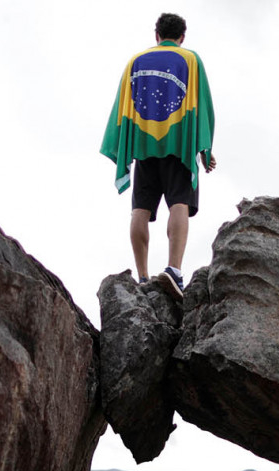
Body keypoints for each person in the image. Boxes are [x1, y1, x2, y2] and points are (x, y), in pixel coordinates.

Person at [101, 12, 216, 299]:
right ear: (182, 37)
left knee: (140, 209)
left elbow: (123, 105)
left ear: (157, 35)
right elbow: (203, 105)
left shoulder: (136, 61)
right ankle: (174, 270)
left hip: (144, 144)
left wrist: (124, 146)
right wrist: (205, 149)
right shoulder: (190, 59)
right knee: (179, 202)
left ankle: (142, 277)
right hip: (178, 142)